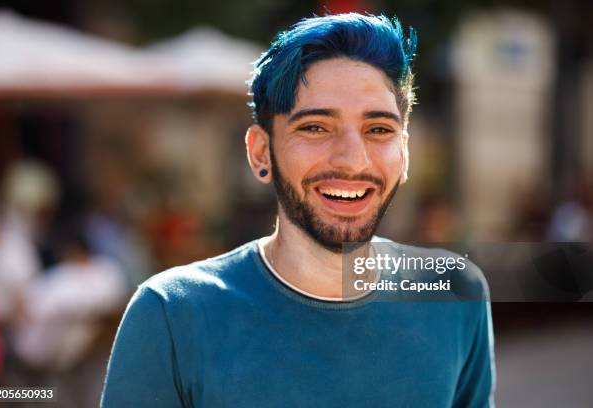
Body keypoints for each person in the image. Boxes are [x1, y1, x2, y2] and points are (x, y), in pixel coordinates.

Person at [102, 13, 495, 407]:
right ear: (260, 152)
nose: (353, 161)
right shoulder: (171, 314)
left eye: (378, 129)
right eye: (315, 128)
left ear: (405, 153)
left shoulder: (455, 294)